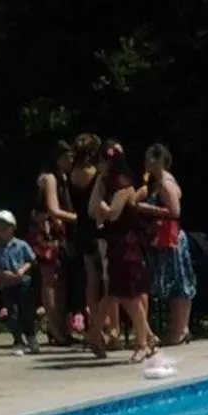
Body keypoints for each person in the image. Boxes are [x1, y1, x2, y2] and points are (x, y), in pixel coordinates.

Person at [89, 141, 156, 360]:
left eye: (101, 161)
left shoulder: (124, 185)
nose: (98, 166)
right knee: (113, 294)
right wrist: (100, 196)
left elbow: (112, 214)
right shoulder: (103, 182)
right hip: (114, 245)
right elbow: (92, 211)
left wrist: (103, 204)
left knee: (131, 296)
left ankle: (142, 342)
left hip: (127, 245)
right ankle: (96, 336)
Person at [140, 144, 195, 346]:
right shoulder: (158, 181)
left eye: (149, 159)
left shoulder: (165, 183)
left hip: (171, 239)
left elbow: (175, 211)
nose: (146, 163)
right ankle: (179, 327)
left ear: (159, 160)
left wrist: (148, 209)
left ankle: (181, 329)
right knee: (173, 283)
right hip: (165, 239)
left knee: (178, 284)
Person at [32, 141, 78, 345]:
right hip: (49, 233)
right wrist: (78, 218)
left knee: (60, 282)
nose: (71, 161)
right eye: (67, 157)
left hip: (59, 232)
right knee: (51, 281)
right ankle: (55, 329)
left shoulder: (62, 177)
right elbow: (53, 208)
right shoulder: (50, 178)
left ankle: (61, 327)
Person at [66, 135, 106, 348]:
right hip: (96, 228)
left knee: (90, 281)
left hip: (80, 228)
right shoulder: (96, 175)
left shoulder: (72, 175)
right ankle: (108, 325)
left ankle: (93, 324)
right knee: (107, 279)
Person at [0, 210, 38, 353]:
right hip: (7, 286)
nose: (2, 229)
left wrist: (22, 270)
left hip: (23, 283)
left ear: (13, 227)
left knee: (27, 312)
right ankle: (18, 341)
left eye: (5, 226)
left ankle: (31, 337)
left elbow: (31, 260)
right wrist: (3, 274)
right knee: (12, 314)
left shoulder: (21, 245)